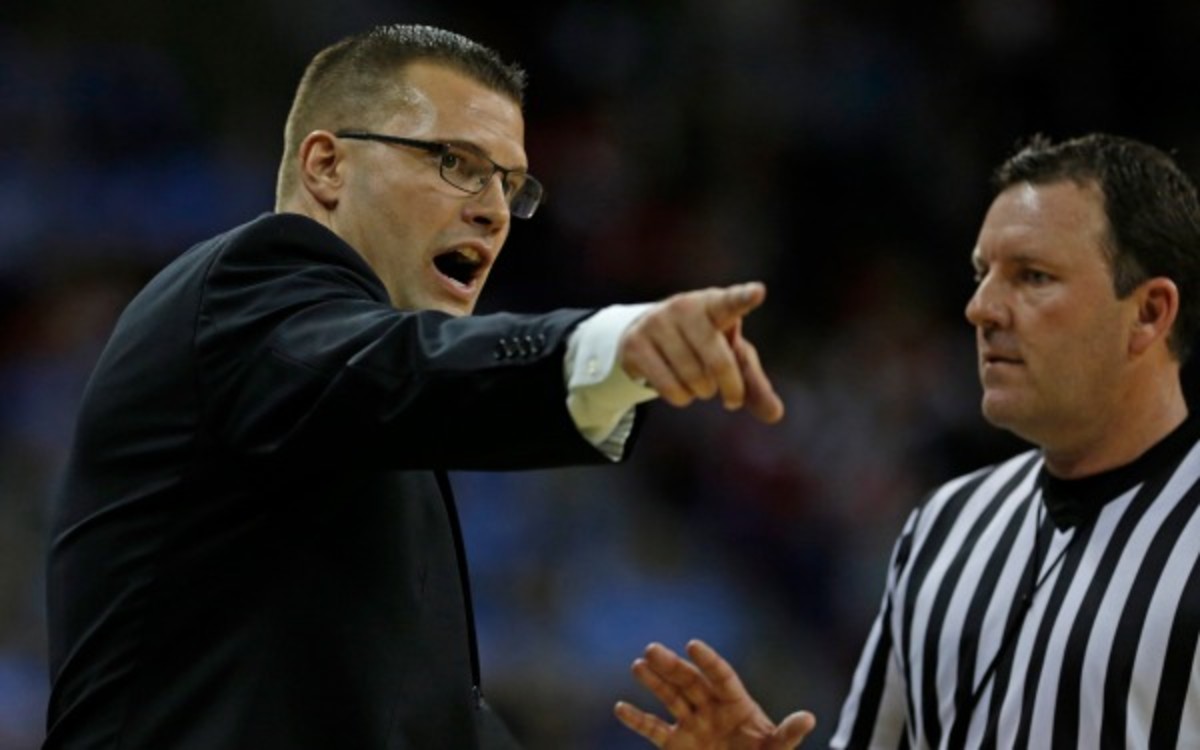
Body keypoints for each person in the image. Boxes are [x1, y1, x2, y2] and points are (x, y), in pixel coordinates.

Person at [42, 24, 786, 750]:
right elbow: (395, 365)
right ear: (327, 165)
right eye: (456, 162)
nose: (495, 211)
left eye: (512, 185)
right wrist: (609, 342)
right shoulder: (250, 288)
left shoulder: (365, 424)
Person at [614, 132, 1200, 749]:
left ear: (1149, 313)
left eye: (1033, 276)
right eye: (982, 275)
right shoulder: (945, 525)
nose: (981, 308)